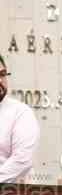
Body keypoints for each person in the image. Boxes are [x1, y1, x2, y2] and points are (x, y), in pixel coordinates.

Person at [0, 53, 40, 183]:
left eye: (2, 74)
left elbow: (22, 160)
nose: (0, 81)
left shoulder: (21, 112)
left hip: (12, 193)